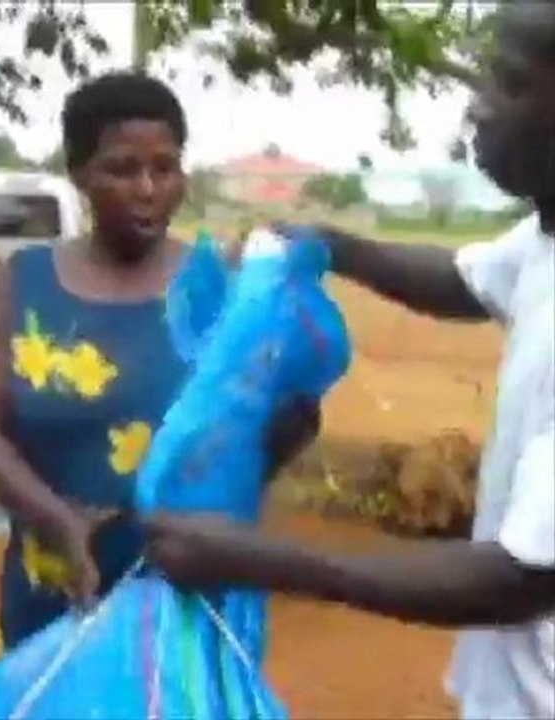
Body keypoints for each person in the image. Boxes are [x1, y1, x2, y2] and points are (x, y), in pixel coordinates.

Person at [145, 5, 555, 718]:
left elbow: (521, 577)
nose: (476, 108)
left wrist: (256, 558)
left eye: (509, 84)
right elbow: (462, 278)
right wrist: (330, 243)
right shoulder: (542, 240)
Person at [0, 71, 318, 651]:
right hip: (55, 596)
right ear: (78, 174)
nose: (147, 188)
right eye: (122, 169)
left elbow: (260, 441)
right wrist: (55, 518)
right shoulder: (26, 280)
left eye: (165, 168)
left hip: (189, 603)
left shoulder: (222, 289)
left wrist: (288, 428)